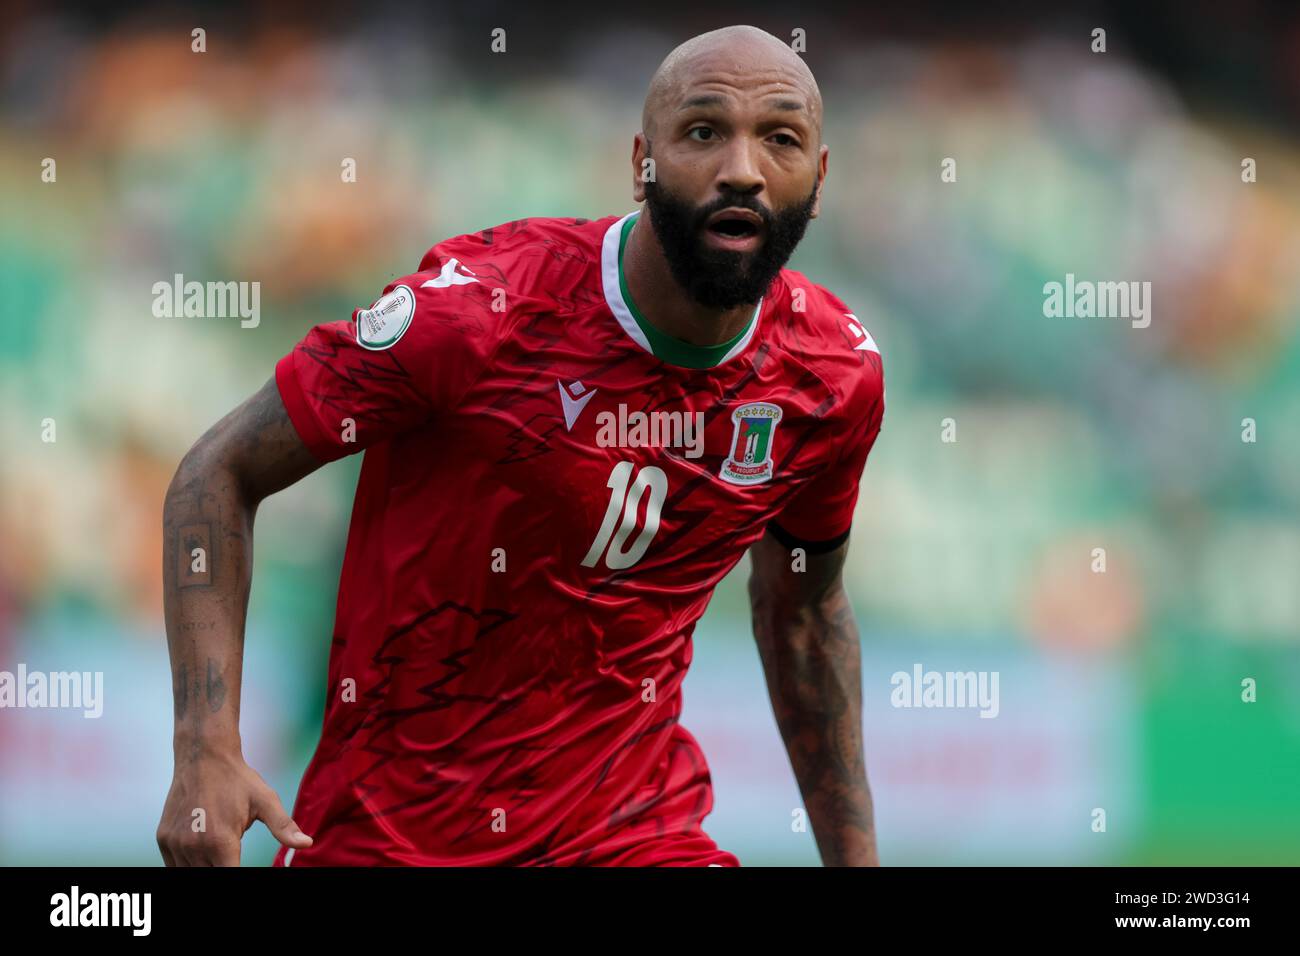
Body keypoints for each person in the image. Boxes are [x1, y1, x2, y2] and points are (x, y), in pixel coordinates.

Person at [157, 24, 884, 867]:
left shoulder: (830, 376)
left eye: (781, 138)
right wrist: (205, 746)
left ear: (819, 180)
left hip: (638, 840)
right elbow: (218, 471)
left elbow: (804, 615)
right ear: (642, 162)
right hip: (393, 841)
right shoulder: (476, 318)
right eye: (703, 131)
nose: (743, 169)